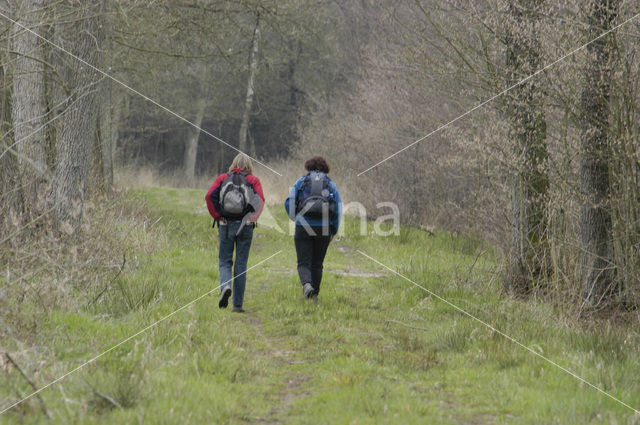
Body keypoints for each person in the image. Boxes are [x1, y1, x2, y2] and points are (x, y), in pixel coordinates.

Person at [205, 154, 264, 313]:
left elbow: (209, 196)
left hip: (226, 225)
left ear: (233, 164)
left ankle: (225, 286)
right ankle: (237, 305)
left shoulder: (223, 178)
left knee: (225, 261)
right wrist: (252, 218)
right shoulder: (253, 180)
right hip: (245, 226)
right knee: (241, 264)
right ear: (249, 166)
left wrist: (218, 216)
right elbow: (260, 200)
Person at [285, 156, 342, 300]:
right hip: (324, 228)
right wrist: (333, 230)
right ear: (325, 168)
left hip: (303, 226)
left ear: (308, 167)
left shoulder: (301, 182)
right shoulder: (330, 184)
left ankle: (306, 285)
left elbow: (289, 201)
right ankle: (314, 296)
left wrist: (295, 217)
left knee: (303, 262)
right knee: (317, 264)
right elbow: (338, 210)